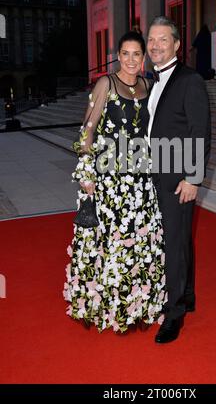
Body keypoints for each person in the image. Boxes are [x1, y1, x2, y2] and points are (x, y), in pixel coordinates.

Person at [63, 31, 166, 333]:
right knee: (109, 241)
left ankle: (138, 306)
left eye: (137, 54)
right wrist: (85, 171)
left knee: (139, 240)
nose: (131, 60)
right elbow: (87, 128)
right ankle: (104, 305)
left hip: (141, 178)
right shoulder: (105, 84)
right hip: (109, 177)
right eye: (125, 53)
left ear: (143, 57)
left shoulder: (148, 85)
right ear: (117, 55)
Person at [147, 16, 211, 344]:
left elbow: (200, 132)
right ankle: (187, 296)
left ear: (175, 44)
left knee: (174, 243)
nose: (156, 46)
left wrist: (193, 179)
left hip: (178, 178)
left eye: (162, 40)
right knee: (180, 238)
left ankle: (173, 315)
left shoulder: (190, 80)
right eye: (151, 41)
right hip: (156, 172)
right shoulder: (149, 81)